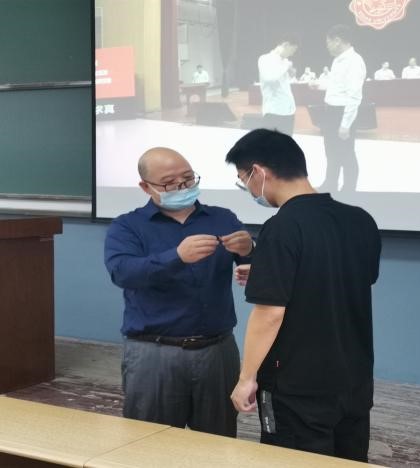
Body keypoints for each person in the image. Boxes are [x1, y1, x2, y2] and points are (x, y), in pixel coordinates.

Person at [226, 129, 382, 462]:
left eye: (243, 180)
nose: (248, 189)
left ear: (258, 172)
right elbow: (345, 279)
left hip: (297, 388)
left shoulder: (282, 226)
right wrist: (268, 271)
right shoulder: (360, 219)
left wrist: (246, 378)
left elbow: (269, 314)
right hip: (353, 380)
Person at [104, 147, 254, 436]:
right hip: (154, 352)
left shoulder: (222, 218)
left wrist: (251, 250)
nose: (183, 187)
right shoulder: (128, 226)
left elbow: (253, 266)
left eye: (188, 178)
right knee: (149, 441)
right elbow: (122, 272)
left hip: (217, 351)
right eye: (170, 183)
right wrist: (176, 256)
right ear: (145, 187)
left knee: (218, 440)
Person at [314, 24, 366, 192]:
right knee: (331, 151)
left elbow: (354, 96)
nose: (327, 46)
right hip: (331, 111)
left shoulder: (354, 61)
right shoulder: (338, 60)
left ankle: (349, 189)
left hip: (342, 113)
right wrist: (318, 85)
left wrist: (345, 124)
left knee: (346, 153)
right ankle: (330, 183)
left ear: (337, 40)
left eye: (328, 42)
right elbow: (335, 84)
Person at [257, 36, 299, 135]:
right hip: (274, 111)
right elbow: (269, 78)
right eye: (293, 50)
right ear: (286, 45)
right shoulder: (265, 58)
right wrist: (286, 66)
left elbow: (284, 85)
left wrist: (291, 72)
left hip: (288, 111)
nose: (292, 54)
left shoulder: (284, 61)